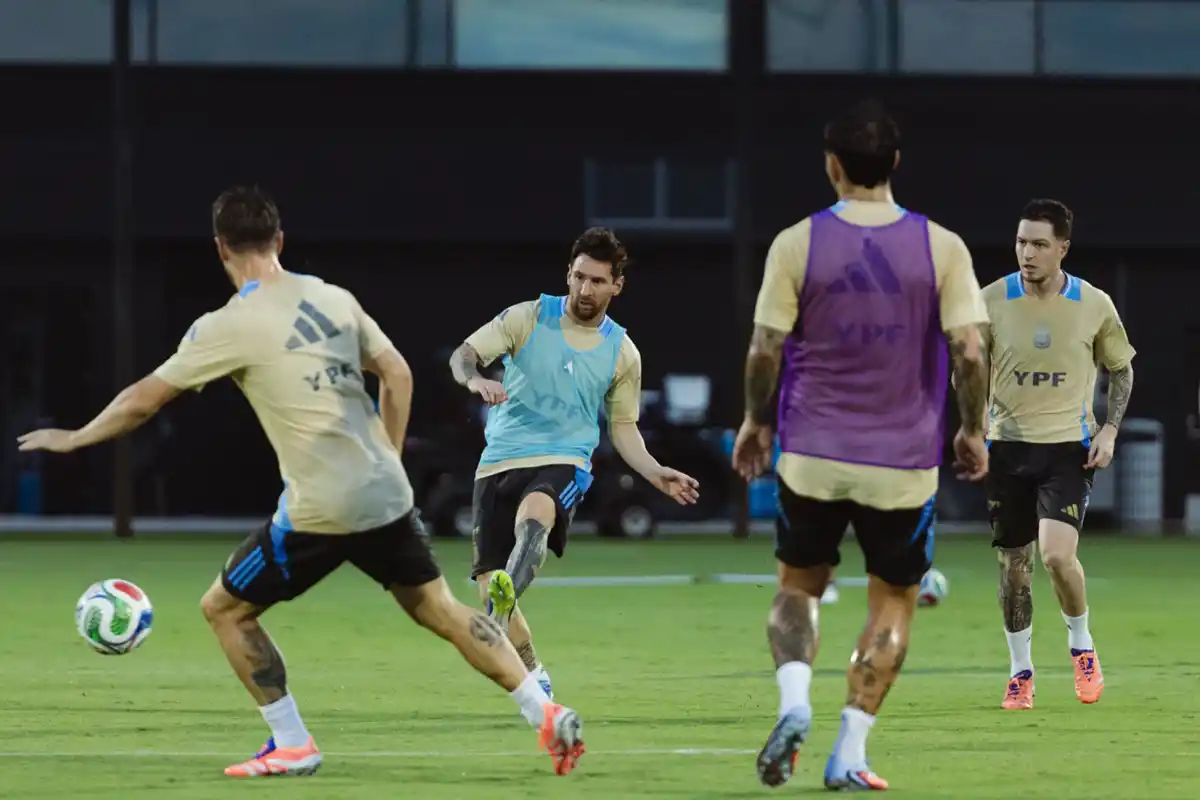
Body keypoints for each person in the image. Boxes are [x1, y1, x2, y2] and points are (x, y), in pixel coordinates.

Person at [17, 186, 585, 778]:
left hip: (320, 505)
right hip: (384, 493)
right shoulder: (332, 298)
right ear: (279, 240)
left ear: (220, 249)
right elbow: (395, 372)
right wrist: (389, 456)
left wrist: (77, 437)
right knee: (438, 609)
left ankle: (292, 743)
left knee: (225, 609)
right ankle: (546, 713)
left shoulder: (225, 325)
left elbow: (144, 399)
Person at [731, 100, 991, 792]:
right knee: (895, 602)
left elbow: (765, 347)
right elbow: (969, 348)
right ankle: (848, 750)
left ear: (833, 166)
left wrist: (756, 422)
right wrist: (972, 428)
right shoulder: (943, 247)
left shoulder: (796, 243)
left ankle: (793, 704)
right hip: (902, 463)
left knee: (798, 587)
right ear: (896, 165)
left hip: (812, 453)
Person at [448, 227, 700, 701]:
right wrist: (474, 380)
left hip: (565, 459)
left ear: (616, 286)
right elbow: (464, 355)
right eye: (580, 277)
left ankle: (499, 616)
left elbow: (623, 427)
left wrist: (653, 470)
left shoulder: (622, 352)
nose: (586, 290)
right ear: (568, 274)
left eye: (598, 281)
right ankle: (532, 669)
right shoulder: (527, 317)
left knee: (537, 515)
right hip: (498, 459)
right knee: (487, 581)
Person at [983, 198, 1135, 710]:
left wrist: (1110, 431)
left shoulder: (1093, 304)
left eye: (1040, 244)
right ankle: (1020, 672)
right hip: (1005, 448)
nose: (1027, 253)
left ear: (1062, 249)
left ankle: (1081, 645)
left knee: (1055, 555)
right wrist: (969, 422)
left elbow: (1122, 368)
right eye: (1022, 242)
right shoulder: (990, 301)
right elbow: (964, 365)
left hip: (1067, 450)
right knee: (1013, 566)